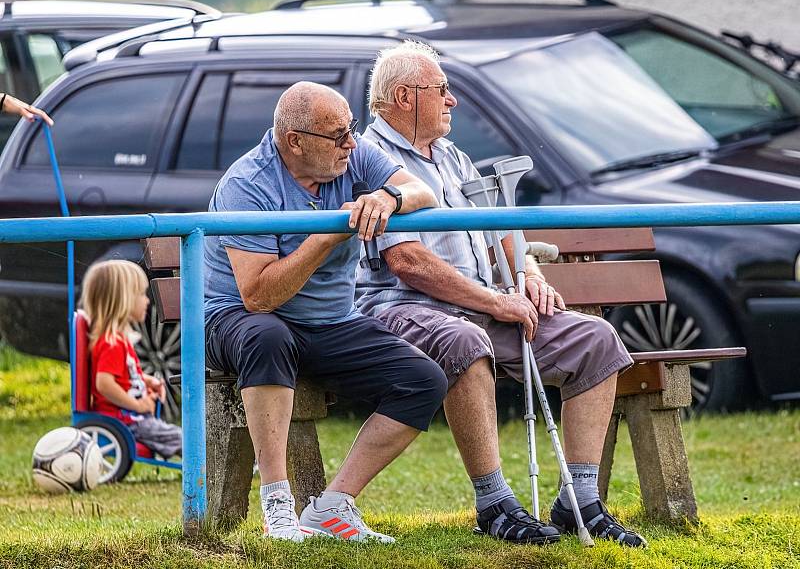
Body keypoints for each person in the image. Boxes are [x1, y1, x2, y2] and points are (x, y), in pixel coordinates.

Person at [355, 41, 647, 547]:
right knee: (466, 342)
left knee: (596, 340)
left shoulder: (450, 156)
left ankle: (580, 500)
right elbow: (407, 263)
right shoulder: (370, 158)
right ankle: (494, 504)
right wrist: (494, 302)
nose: (453, 101)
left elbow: (499, 235)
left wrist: (528, 271)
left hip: (477, 308)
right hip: (404, 311)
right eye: (442, 90)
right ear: (404, 96)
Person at [204, 81, 446, 543]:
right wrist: (326, 235)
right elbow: (258, 296)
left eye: (351, 130)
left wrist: (388, 199)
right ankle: (278, 503)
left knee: (423, 381)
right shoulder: (246, 184)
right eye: (338, 136)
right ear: (294, 141)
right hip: (239, 319)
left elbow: (424, 190)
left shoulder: (353, 156)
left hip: (329, 322)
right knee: (267, 335)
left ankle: (332, 506)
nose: (351, 143)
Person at [82, 259, 182, 459]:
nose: (147, 300)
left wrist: (147, 380)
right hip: (127, 420)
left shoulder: (117, 340)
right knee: (182, 438)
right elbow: (104, 384)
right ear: (122, 300)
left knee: (174, 434)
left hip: (132, 418)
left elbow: (122, 375)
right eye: (141, 294)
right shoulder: (111, 344)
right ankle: (212, 465)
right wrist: (136, 405)